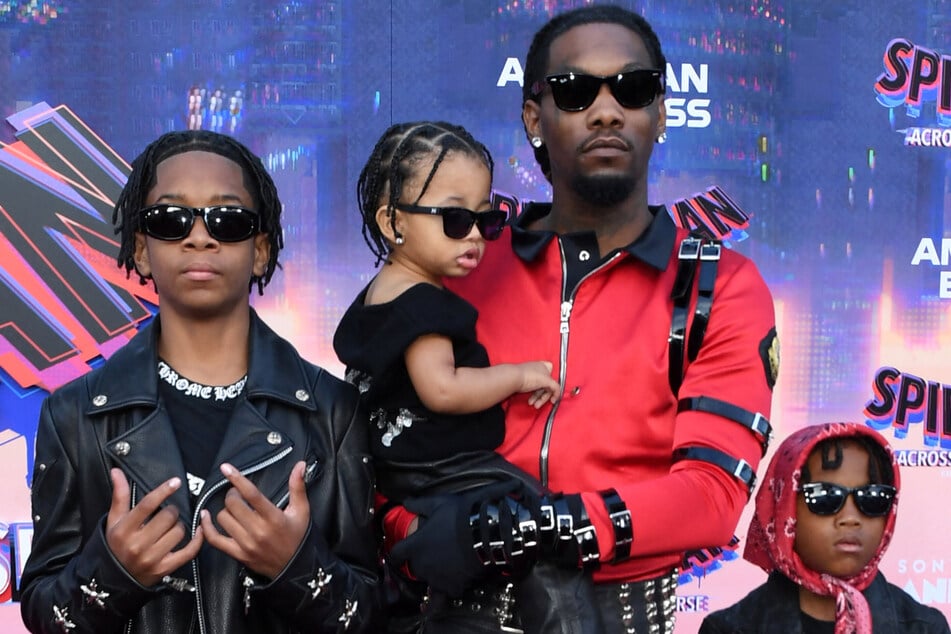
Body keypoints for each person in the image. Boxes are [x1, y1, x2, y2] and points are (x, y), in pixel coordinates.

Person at [383, 5, 779, 633]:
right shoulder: (461, 268)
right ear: (534, 118)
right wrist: (418, 536)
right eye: (574, 91)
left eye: (633, 87)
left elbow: (710, 497)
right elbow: (385, 463)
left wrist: (526, 530)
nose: (606, 109)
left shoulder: (718, 285)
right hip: (452, 614)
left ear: (661, 113)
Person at [19, 130, 382, 633]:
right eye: (170, 220)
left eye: (227, 220)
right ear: (141, 251)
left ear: (260, 250)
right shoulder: (75, 415)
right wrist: (114, 571)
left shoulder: (333, 410)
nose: (199, 236)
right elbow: (43, 611)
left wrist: (296, 568)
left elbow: (369, 613)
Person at [333, 120, 602, 633]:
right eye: (455, 220)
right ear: (393, 222)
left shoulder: (379, 294)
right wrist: (517, 376)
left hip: (401, 476)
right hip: (448, 470)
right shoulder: (425, 305)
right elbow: (444, 389)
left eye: (487, 220)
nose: (476, 236)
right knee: (544, 527)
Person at [700, 422, 950, 633]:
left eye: (873, 497)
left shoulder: (925, 628)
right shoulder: (729, 629)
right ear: (784, 508)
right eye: (826, 496)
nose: (851, 518)